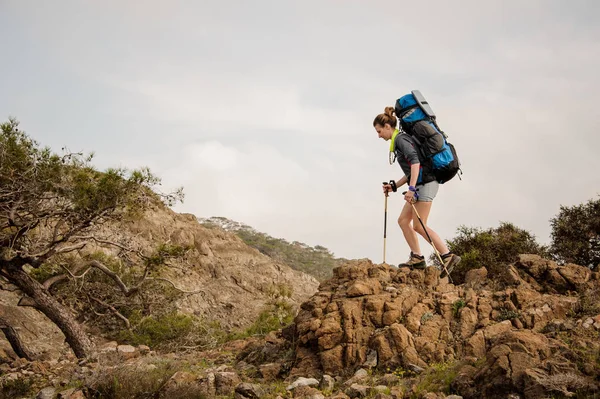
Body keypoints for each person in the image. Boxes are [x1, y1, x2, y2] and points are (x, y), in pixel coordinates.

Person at [373, 106, 461, 273]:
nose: (378, 136)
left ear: (387, 127)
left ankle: (447, 255)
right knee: (403, 221)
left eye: (379, 131)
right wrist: (394, 186)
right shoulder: (400, 140)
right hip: (421, 183)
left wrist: (412, 189)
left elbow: (415, 163)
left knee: (419, 225)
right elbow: (411, 170)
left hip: (426, 184)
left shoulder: (401, 140)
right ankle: (417, 258)